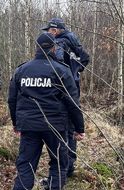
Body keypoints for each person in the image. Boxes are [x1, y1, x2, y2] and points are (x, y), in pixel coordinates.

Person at [6, 32, 85, 190]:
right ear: (53, 48)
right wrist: (78, 128)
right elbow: (72, 102)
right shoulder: (62, 71)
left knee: (26, 166)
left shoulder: (22, 70)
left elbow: (12, 99)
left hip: (30, 127)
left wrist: (16, 123)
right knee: (58, 164)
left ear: (36, 49)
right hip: (55, 127)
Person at [42, 17, 90, 177]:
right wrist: (75, 73)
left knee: (64, 128)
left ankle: (64, 167)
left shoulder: (60, 44)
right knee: (70, 127)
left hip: (62, 90)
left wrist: (68, 74)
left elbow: (58, 65)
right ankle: (69, 164)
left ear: (54, 30)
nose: (48, 33)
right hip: (72, 88)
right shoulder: (73, 40)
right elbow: (86, 58)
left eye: (49, 30)